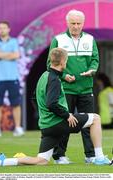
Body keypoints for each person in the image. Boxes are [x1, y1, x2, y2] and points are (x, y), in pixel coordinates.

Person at [0, 48, 110, 167]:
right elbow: (51, 103)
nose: (66, 63)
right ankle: (99, 158)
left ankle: (2, 162)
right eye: (66, 60)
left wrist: (44, 115)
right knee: (95, 119)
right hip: (57, 123)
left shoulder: (44, 76)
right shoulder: (54, 80)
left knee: (41, 160)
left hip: (47, 125)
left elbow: (34, 98)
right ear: (63, 61)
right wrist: (67, 115)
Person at [47, 9, 99, 164]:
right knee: (64, 123)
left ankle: (91, 156)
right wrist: (63, 76)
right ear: (67, 23)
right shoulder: (58, 39)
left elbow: (95, 60)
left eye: (79, 23)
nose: (76, 26)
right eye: (73, 23)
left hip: (86, 89)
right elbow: (50, 64)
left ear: (83, 23)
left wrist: (92, 70)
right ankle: (59, 156)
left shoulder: (90, 39)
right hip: (65, 90)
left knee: (89, 123)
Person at [0, 21, 24, 137]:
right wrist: (8, 54)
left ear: (9, 29)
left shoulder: (14, 41)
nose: (2, 30)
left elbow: (16, 55)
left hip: (13, 77)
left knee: (15, 103)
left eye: (4, 28)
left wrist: (2, 54)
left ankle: (18, 127)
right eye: (0, 28)